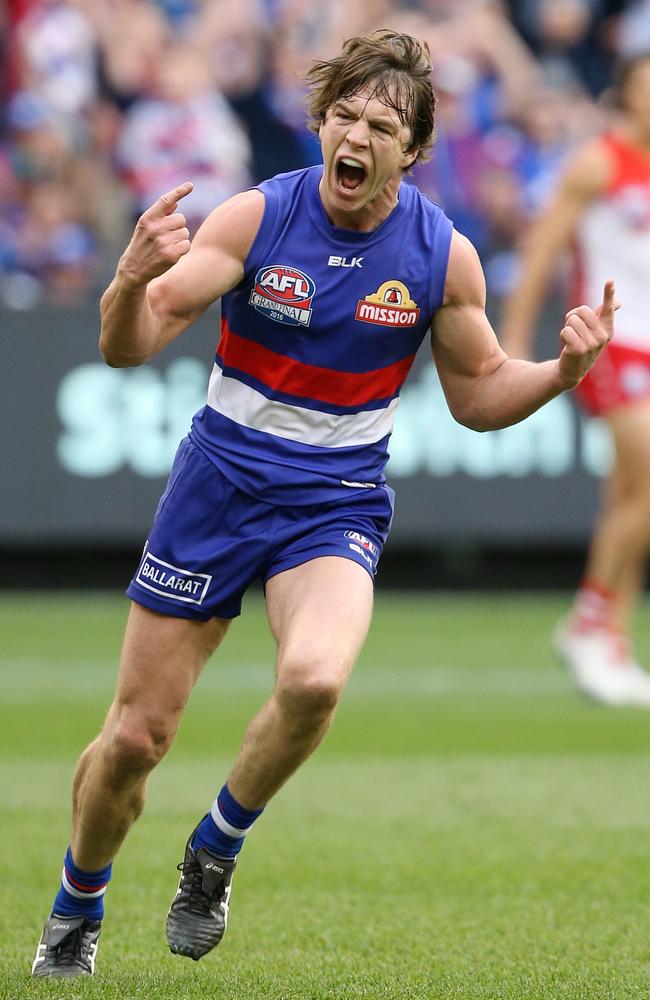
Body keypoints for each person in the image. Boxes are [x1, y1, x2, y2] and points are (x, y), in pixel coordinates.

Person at [31, 29, 615, 979]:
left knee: (314, 681)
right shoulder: (257, 218)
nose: (355, 134)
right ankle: (76, 903)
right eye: (343, 114)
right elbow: (129, 345)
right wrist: (128, 280)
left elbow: (476, 400)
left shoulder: (440, 254)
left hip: (332, 499)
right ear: (320, 123)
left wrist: (561, 372)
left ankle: (215, 848)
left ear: (412, 150)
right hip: (216, 485)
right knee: (136, 739)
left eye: (380, 124)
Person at [499, 52, 650, 707]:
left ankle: (613, 639)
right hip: (611, 344)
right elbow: (540, 249)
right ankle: (589, 622)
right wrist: (512, 336)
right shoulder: (598, 162)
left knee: (630, 497)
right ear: (626, 96)